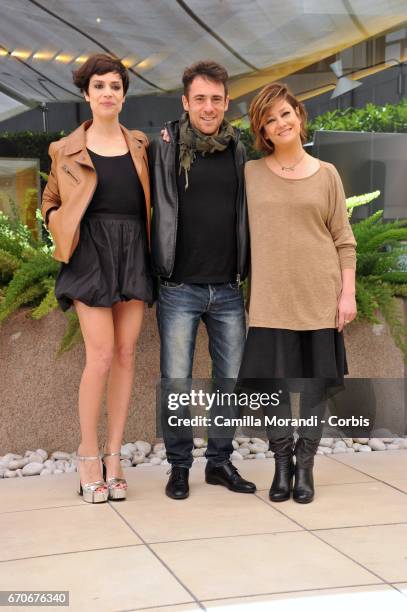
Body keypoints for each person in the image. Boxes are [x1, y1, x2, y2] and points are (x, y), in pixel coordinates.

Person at [238, 82, 357, 503]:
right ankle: (281, 464)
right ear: (263, 132)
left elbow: (344, 239)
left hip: (318, 300)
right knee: (273, 390)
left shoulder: (327, 174)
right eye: (269, 120)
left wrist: (347, 294)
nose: (279, 123)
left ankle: (305, 467)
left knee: (310, 390)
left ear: (299, 116)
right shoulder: (250, 173)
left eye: (284, 113)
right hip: (270, 302)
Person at [41, 54, 153, 503]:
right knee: (101, 355)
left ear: (124, 95)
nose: (108, 93)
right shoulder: (64, 149)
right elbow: (50, 199)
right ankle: (88, 453)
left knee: (127, 353)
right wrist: (57, 223)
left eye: (115, 86)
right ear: (86, 94)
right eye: (100, 86)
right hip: (90, 253)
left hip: (134, 251)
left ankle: (114, 454)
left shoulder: (141, 144)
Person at [149, 60, 256, 499]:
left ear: (227, 102)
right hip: (178, 287)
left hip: (228, 288)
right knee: (176, 383)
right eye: (200, 99)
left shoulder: (239, 149)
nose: (208, 107)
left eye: (216, 99)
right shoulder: (164, 147)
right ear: (185, 102)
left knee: (229, 381)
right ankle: (178, 467)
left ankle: (219, 463)